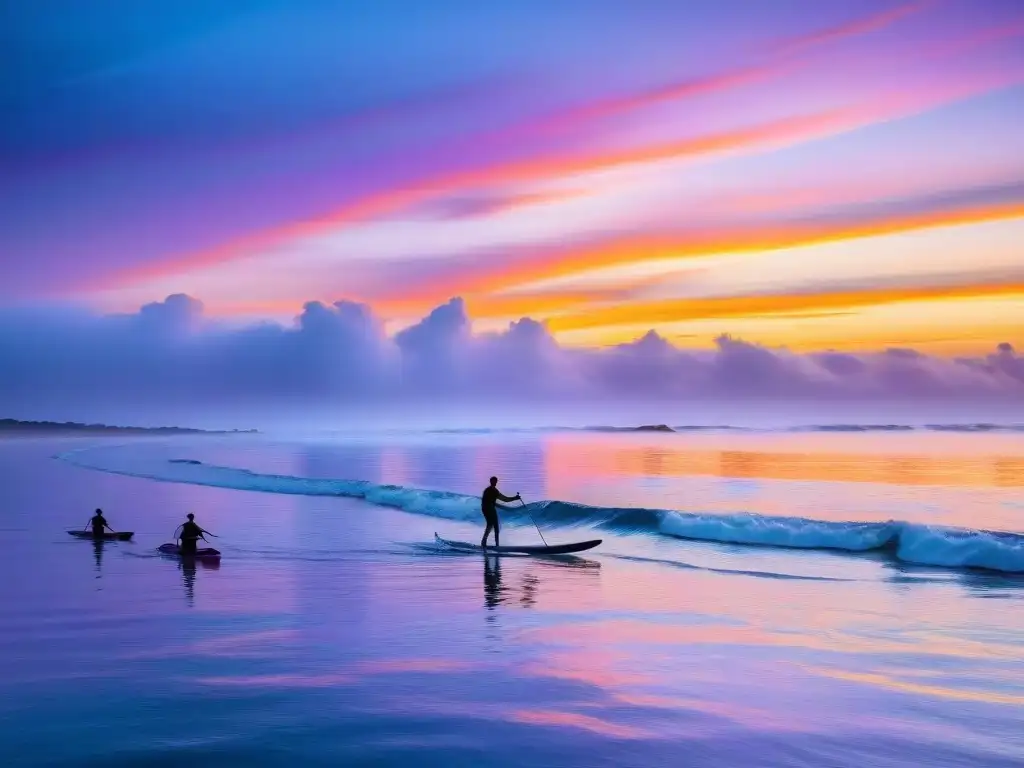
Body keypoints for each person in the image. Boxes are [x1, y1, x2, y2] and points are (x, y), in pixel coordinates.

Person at [481, 476, 520, 548]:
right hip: (488, 509)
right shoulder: (489, 490)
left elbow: (505, 499)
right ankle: (486, 543)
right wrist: (515, 498)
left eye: (496, 481)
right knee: (492, 525)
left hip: (489, 509)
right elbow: (485, 501)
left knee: (493, 526)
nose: (495, 482)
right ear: (491, 481)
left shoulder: (494, 491)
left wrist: (515, 498)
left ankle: (493, 544)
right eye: (494, 481)